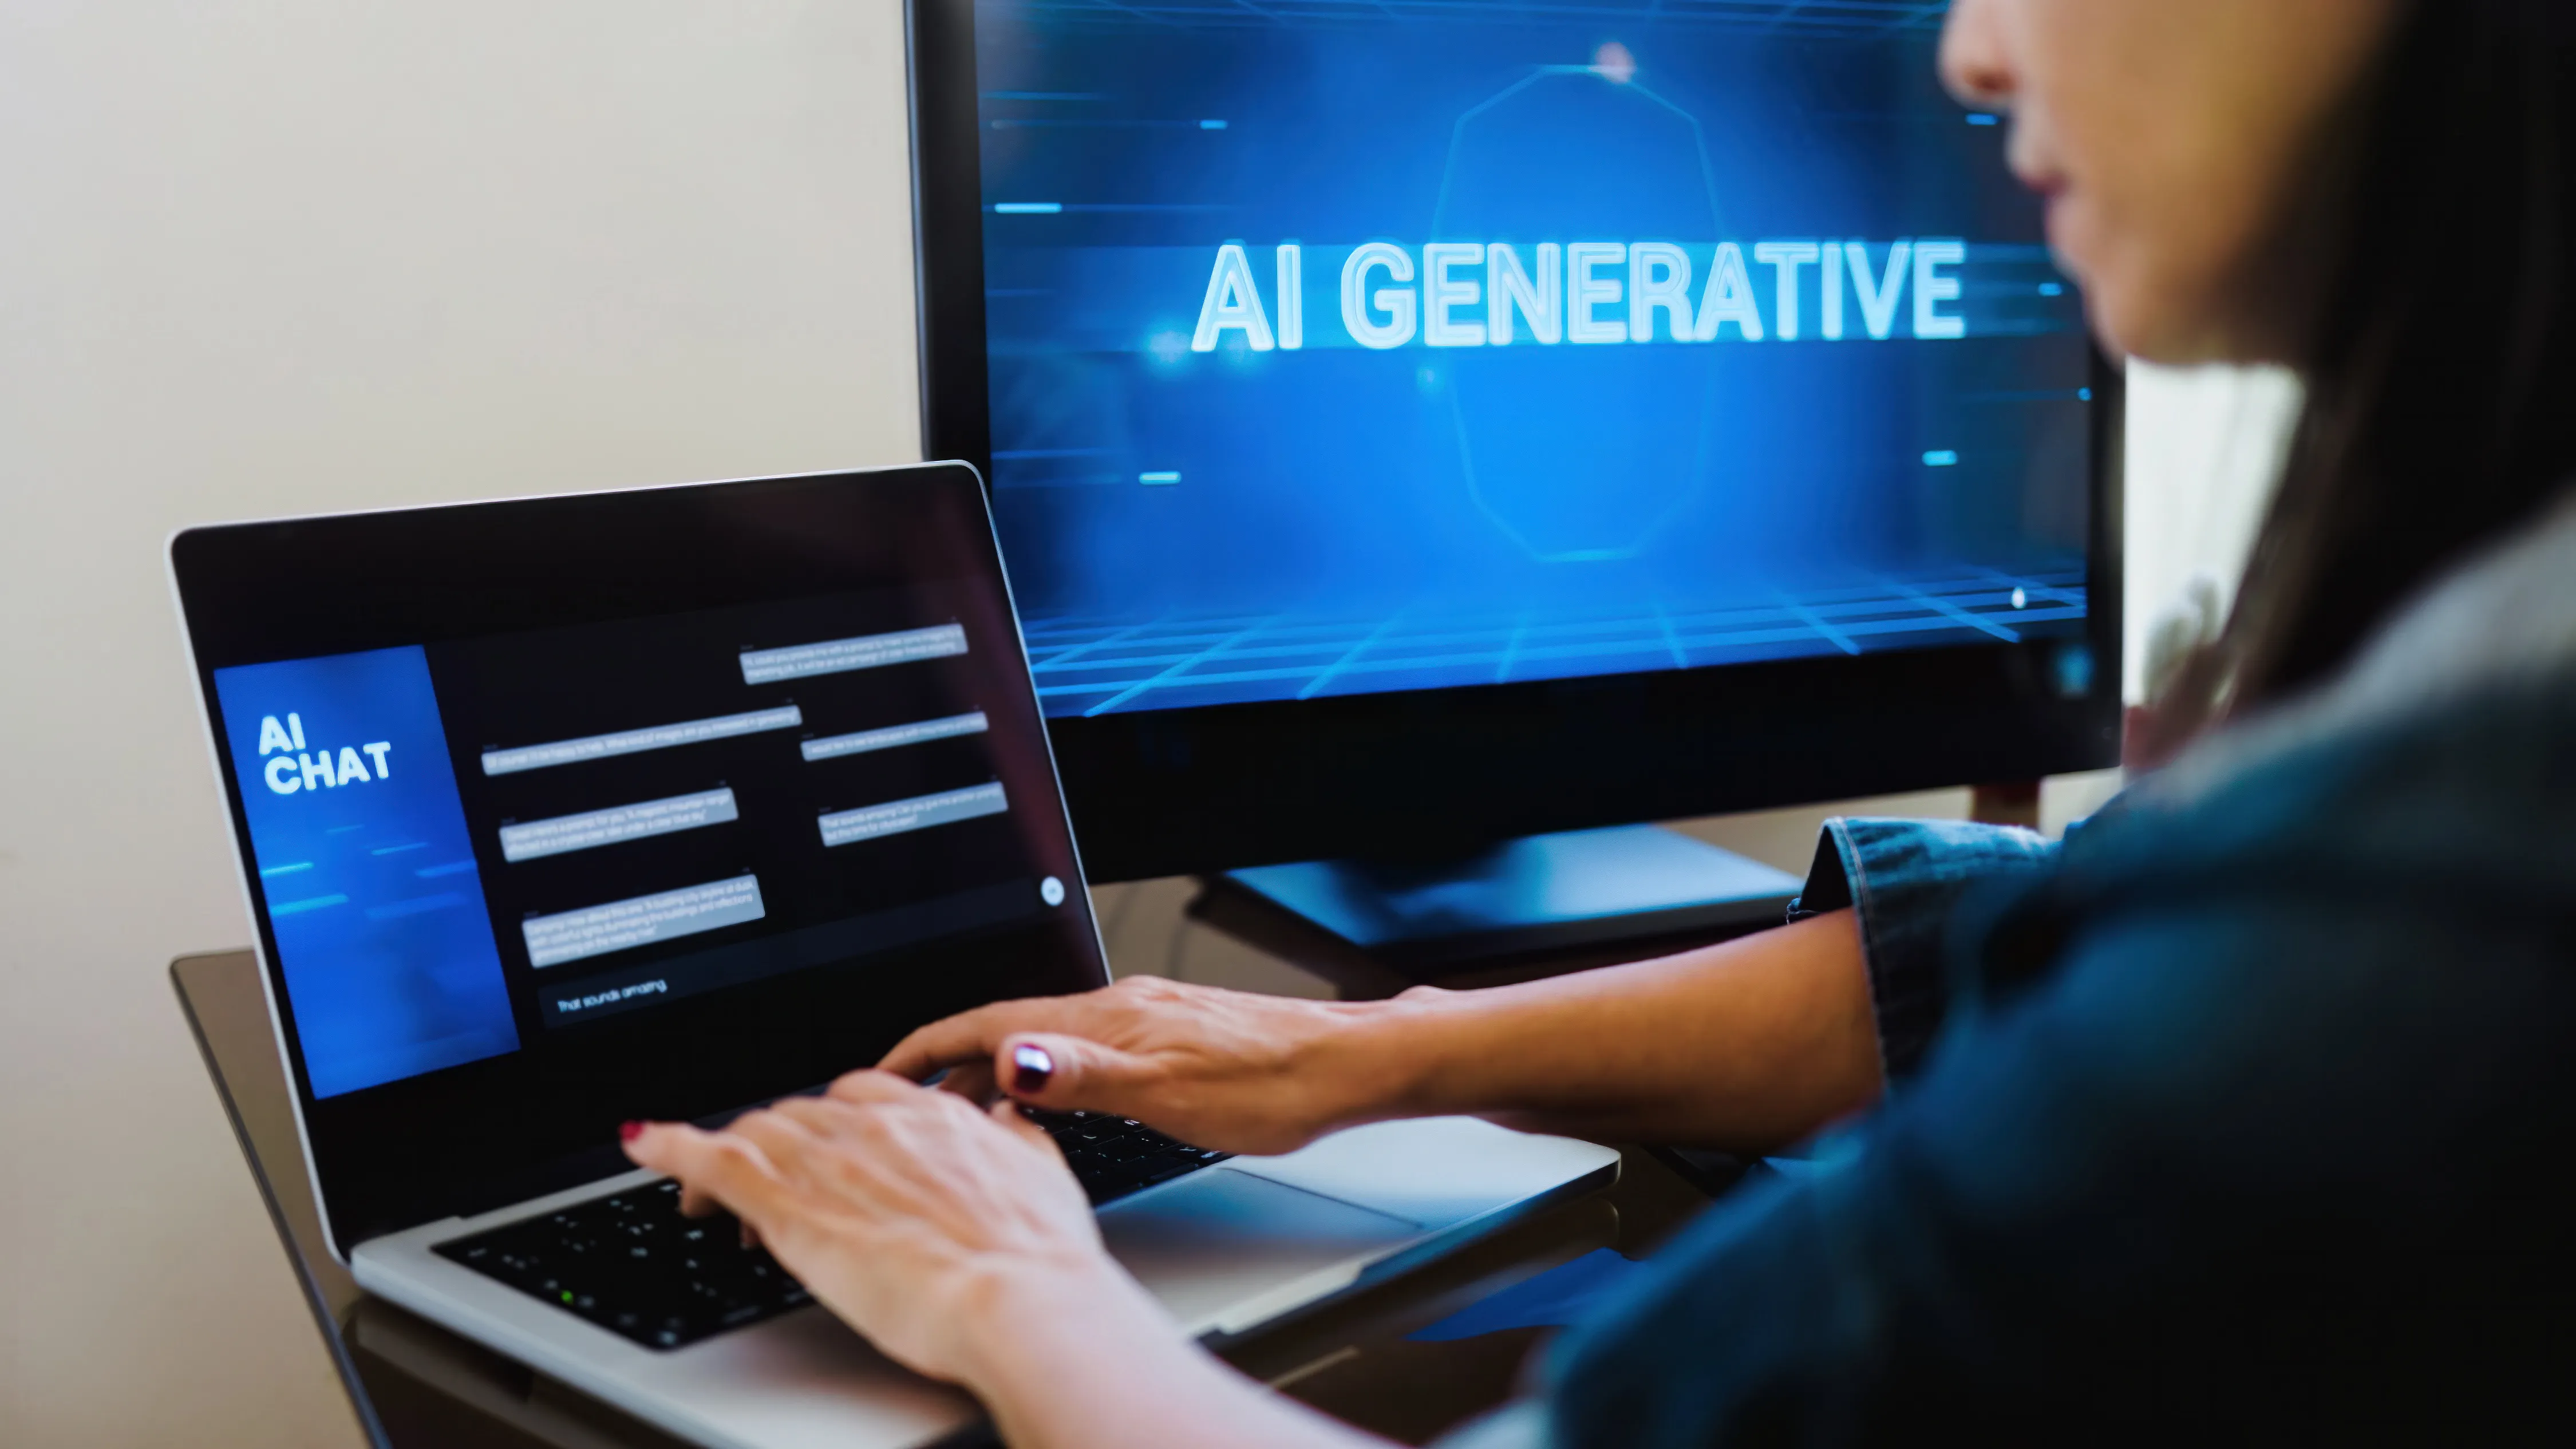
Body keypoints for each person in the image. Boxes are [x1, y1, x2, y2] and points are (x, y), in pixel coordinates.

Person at [622, 1, 2576, 1442]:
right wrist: (1362, 1061)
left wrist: (1001, 1284)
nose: (1970, 53)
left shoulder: (2461, 851)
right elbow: (2047, 935)